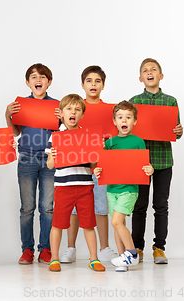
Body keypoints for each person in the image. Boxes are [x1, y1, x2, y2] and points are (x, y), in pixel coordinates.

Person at [61, 66, 118, 263]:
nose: (93, 84)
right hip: (78, 166)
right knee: (75, 209)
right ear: (82, 84)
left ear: (103, 84)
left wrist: (106, 142)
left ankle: (104, 247)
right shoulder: (74, 107)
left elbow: (117, 133)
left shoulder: (111, 110)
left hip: (101, 165)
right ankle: (70, 248)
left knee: (101, 205)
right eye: (89, 81)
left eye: (97, 81)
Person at [130, 58, 183, 264]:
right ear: (140, 78)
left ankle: (159, 248)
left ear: (160, 76)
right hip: (140, 161)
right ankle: (137, 247)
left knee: (161, 205)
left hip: (163, 161)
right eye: (145, 70)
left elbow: (176, 131)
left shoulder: (170, 101)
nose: (149, 72)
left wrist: (179, 131)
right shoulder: (134, 101)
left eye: (153, 70)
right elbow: (125, 127)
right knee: (139, 205)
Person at [5, 63, 59, 265]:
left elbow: (64, 132)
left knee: (47, 207)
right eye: (34, 77)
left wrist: (62, 120)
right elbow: (16, 132)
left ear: (49, 82)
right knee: (27, 207)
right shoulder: (20, 105)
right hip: (26, 157)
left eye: (43, 77)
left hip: (49, 159)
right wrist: (7, 115)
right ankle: (27, 249)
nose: (38, 80)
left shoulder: (57, 106)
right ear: (27, 83)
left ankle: (45, 248)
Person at [46, 94, 105, 272]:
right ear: (61, 114)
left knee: (88, 224)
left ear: (82, 115)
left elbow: (93, 165)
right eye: (69, 109)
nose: (73, 112)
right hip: (63, 188)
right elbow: (50, 165)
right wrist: (54, 156)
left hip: (85, 187)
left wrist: (98, 151)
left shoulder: (88, 137)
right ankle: (54, 258)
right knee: (58, 224)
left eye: (77, 109)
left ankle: (93, 258)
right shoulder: (55, 137)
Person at [94, 101, 154, 272]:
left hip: (129, 190)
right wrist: (98, 170)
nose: (124, 120)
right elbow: (103, 165)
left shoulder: (138, 142)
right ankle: (123, 259)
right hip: (112, 190)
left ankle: (132, 254)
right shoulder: (110, 143)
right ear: (114, 121)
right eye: (120, 117)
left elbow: (145, 166)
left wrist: (150, 169)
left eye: (128, 117)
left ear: (134, 121)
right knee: (117, 224)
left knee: (116, 221)